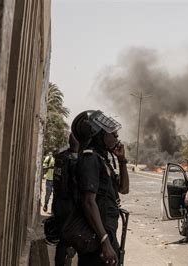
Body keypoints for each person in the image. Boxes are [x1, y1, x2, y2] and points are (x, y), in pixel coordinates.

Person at [71, 110, 130, 266]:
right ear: (98, 134)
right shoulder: (90, 159)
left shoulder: (103, 160)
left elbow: (124, 189)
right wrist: (104, 242)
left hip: (106, 234)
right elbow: (88, 202)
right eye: (113, 134)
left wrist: (122, 160)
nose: (117, 138)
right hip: (97, 239)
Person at [52, 133, 79, 266]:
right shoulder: (75, 160)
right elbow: (75, 187)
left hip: (58, 203)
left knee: (62, 241)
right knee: (73, 240)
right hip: (70, 205)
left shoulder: (61, 157)